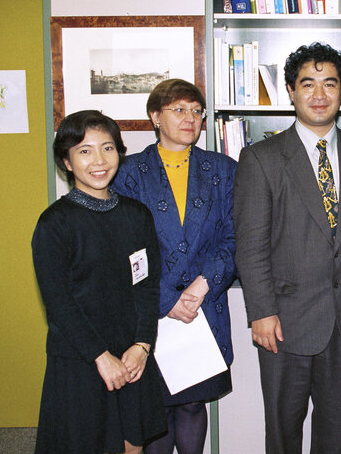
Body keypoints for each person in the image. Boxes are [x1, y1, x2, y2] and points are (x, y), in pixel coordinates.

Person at [234, 42, 341, 454]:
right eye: (308, 84)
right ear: (291, 90)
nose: (319, 95)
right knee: (283, 432)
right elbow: (250, 245)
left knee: (335, 432)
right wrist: (261, 311)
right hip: (284, 320)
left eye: (330, 84)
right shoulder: (261, 159)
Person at [112, 79, 237, 454]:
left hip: (204, 305)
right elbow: (121, 246)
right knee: (156, 406)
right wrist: (167, 299)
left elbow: (236, 238)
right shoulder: (128, 172)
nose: (190, 118)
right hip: (149, 310)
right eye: (179, 110)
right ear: (155, 116)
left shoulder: (223, 169)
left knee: (193, 403)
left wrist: (200, 287)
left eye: (197, 111)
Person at [32, 110, 165, 454]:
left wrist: (142, 345)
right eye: (84, 150)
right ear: (66, 160)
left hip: (131, 353)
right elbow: (59, 302)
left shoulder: (137, 216)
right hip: (81, 358)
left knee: (132, 445)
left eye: (107, 148)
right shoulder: (54, 224)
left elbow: (147, 287)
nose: (99, 160)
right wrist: (100, 357)